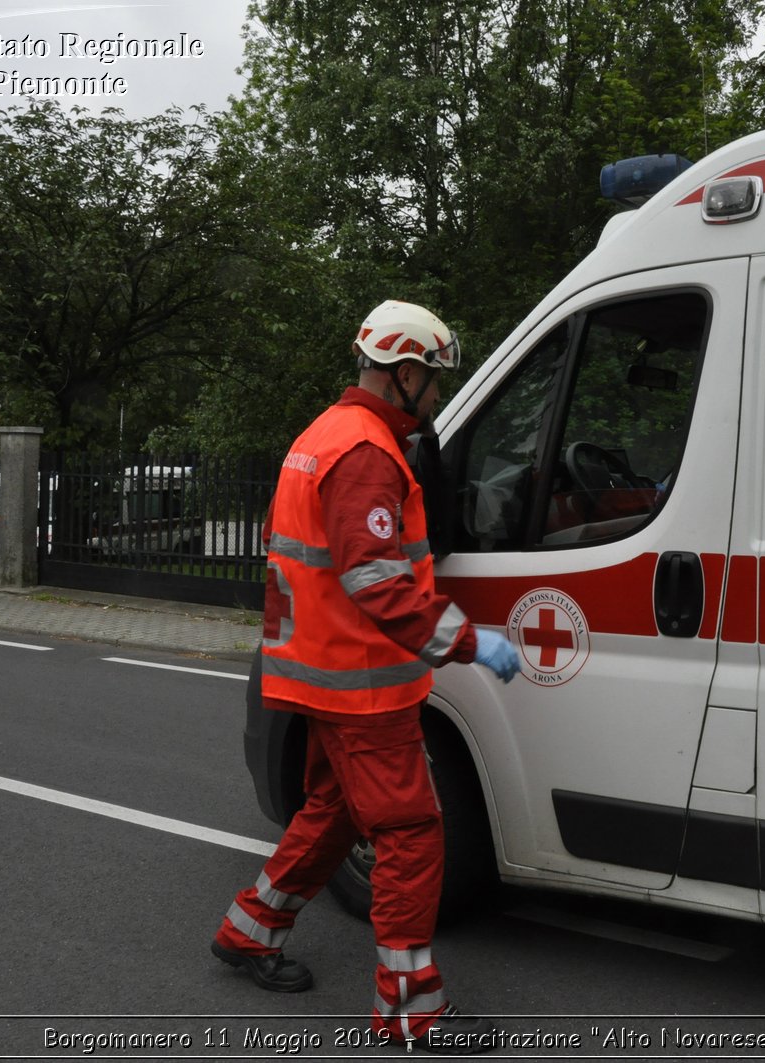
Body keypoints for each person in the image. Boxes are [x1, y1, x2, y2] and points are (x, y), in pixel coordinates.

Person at [211, 300, 520, 1054]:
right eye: (436, 383)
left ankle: (249, 927)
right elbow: (380, 579)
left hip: (316, 670)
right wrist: (472, 640)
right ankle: (410, 1010)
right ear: (406, 373)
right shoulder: (368, 453)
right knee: (411, 831)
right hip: (362, 682)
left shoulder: (320, 437)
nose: (438, 399)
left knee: (333, 810)